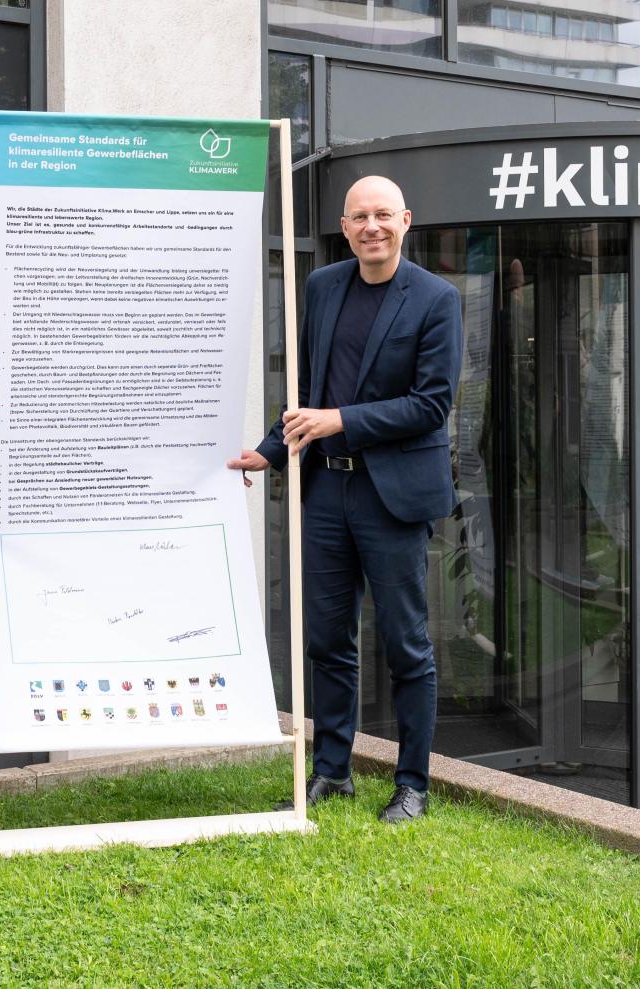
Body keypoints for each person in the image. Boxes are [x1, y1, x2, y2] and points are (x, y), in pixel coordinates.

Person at [229, 174, 461, 823]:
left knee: (406, 642)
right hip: (327, 489)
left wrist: (343, 420)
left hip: (393, 497)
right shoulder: (323, 286)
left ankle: (411, 784)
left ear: (405, 220)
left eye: (383, 215)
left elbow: (432, 402)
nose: (372, 227)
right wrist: (270, 449)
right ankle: (331, 770)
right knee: (327, 639)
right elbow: (308, 388)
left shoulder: (436, 298)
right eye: (360, 216)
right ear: (345, 223)